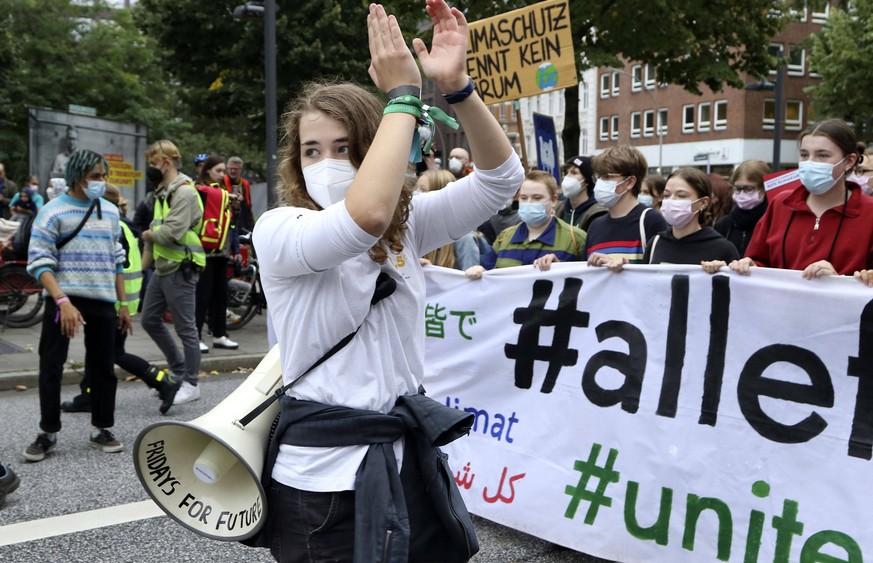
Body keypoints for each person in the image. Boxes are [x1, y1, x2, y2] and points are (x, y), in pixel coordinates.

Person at [251, 1, 524, 560]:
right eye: (311, 151)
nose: (326, 162)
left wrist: (457, 89)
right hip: (322, 486)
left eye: (346, 147)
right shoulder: (280, 229)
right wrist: (403, 96)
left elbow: (501, 181)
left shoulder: (409, 223)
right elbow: (364, 217)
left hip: (407, 464)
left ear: (380, 146)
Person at [23, 149, 131, 462]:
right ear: (77, 175)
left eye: (103, 176)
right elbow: (40, 262)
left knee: (103, 368)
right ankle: (48, 432)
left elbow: (117, 260)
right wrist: (62, 300)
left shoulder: (110, 212)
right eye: (95, 176)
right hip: (63, 299)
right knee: (51, 366)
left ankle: (101, 428)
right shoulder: (52, 211)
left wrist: (123, 303)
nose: (101, 182)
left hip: (101, 298)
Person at [60, 184, 180, 416]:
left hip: (113, 300)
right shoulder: (124, 223)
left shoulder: (111, 225)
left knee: (113, 352)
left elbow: (113, 266)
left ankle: (162, 381)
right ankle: (88, 394)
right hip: (122, 299)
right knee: (98, 348)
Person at [716, 119, 873, 284]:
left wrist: (838, 281)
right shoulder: (780, 204)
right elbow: (759, 260)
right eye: (804, 155)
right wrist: (749, 265)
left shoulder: (869, 213)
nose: (810, 162)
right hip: (778, 308)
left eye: (822, 155)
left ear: (849, 161)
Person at [139, 140, 205, 406]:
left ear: (167, 163)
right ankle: (178, 370)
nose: (151, 169)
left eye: (154, 163)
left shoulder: (184, 193)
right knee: (149, 320)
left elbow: (170, 233)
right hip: (163, 267)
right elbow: (157, 235)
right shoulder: (162, 192)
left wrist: (147, 234)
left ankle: (191, 383)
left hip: (181, 268)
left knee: (186, 328)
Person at [607, 167, 737, 270]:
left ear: (703, 202)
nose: (671, 201)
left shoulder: (722, 248)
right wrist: (623, 268)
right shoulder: (656, 243)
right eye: (667, 195)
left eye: (681, 196)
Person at [466, 170, 586, 278]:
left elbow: (591, 281)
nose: (529, 203)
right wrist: (480, 270)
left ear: (554, 200)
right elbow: (488, 270)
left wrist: (559, 268)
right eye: (524, 198)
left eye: (537, 198)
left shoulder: (575, 239)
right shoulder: (505, 237)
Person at [585, 145, 668, 266]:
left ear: (629, 182)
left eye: (607, 176)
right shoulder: (595, 226)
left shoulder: (650, 221)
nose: (600, 182)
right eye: (599, 177)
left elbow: (660, 273)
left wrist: (625, 269)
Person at [194, 155, 240, 352]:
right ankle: (195, 336)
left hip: (222, 251)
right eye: (218, 171)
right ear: (208, 171)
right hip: (205, 252)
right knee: (202, 297)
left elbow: (231, 224)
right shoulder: (200, 189)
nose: (222, 175)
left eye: (223, 171)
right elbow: (198, 191)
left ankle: (220, 334)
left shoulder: (222, 191)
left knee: (220, 296)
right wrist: (226, 197)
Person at [416, 169, 481, 270]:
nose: (416, 194)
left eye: (423, 190)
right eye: (416, 188)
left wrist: (435, 274)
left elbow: (470, 281)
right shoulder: (417, 231)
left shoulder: (464, 239)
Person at [713, 159, 770, 257]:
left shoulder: (773, 224)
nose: (742, 194)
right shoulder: (723, 224)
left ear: (764, 189)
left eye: (749, 189)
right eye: (738, 188)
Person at [554, 155, 607, 231]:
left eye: (574, 173)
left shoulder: (597, 214)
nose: (567, 177)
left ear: (587, 181)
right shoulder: (558, 209)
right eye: (566, 173)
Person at [223, 156, 255, 234]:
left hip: (242, 220)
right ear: (227, 168)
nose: (233, 171)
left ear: (241, 169)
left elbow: (248, 205)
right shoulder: (222, 180)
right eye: (230, 168)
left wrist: (251, 225)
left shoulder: (245, 183)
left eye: (236, 169)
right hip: (227, 220)